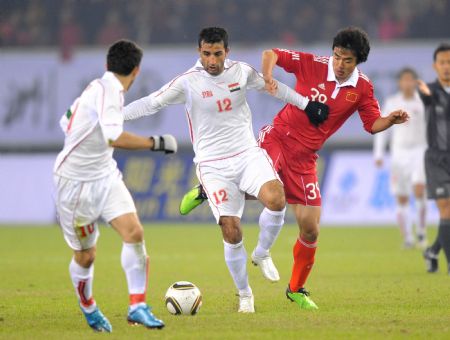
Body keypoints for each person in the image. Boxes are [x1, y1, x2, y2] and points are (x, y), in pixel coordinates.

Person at [180, 27, 409, 309]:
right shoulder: (312, 64)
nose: (339, 64)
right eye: (336, 56)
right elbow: (271, 54)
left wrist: (390, 120)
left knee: (311, 228)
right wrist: (267, 76)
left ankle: (296, 289)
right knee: (266, 193)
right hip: (278, 139)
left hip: (306, 159)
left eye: (346, 60)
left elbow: (372, 124)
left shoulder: (362, 88)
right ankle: (209, 189)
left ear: (358, 61)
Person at [123, 27, 329, 313]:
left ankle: (262, 253)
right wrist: (115, 115)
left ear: (226, 52)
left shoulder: (241, 73)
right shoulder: (187, 82)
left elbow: (274, 87)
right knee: (231, 231)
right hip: (212, 165)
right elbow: (151, 103)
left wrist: (306, 104)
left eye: (217, 54)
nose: (212, 60)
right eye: (206, 54)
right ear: (199, 52)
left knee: (277, 198)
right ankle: (245, 294)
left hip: (247, 154)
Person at [53, 40, 177, 332]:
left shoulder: (97, 87)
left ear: (108, 65)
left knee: (134, 232)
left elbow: (64, 122)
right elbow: (113, 137)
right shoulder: (108, 91)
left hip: (105, 175)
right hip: (75, 185)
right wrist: (155, 143)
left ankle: (137, 306)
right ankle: (89, 306)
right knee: (86, 255)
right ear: (136, 71)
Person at [373, 68, 427, 249]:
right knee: (402, 197)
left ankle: (421, 232)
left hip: (420, 151)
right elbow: (383, 128)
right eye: (404, 80)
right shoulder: (392, 102)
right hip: (399, 153)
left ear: (415, 82)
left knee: (420, 190)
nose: (407, 83)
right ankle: (408, 237)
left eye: (411, 80)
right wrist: (379, 153)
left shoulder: (423, 102)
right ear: (399, 83)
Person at [418, 43, 450, 274]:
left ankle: (432, 250)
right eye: (443, 63)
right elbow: (427, 98)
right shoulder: (428, 90)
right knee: (446, 208)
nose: (447, 67)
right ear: (435, 66)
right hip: (437, 159)